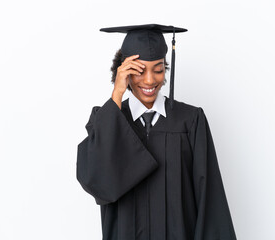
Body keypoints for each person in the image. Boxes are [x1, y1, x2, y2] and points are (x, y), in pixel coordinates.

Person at [76, 24, 237, 240]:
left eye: (158, 70)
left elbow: (210, 199)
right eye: (139, 71)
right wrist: (117, 92)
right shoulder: (107, 121)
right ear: (124, 72)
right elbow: (96, 180)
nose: (150, 80)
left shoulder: (190, 120)